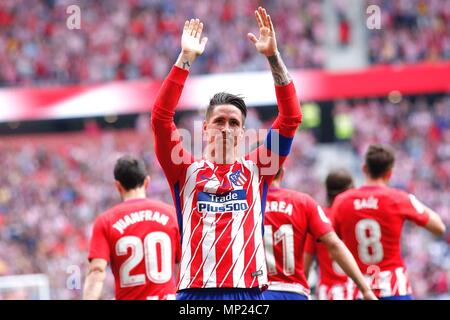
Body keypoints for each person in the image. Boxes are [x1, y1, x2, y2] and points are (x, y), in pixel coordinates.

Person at [151, 7, 302, 300]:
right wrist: (185, 60)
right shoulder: (184, 169)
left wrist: (273, 57)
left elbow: (291, 118)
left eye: (234, 123)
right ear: (205, 128)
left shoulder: (259, 168)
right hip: (196, 293)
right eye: (219, 121)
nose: (226, 128)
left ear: (243, 132)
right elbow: (160, 119)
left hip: (248, 293)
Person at [333, 144, 446, 300]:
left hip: (359, 290)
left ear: (364, 168)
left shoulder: (342, 201)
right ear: (390, 173)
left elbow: (331, 243)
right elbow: (439, 227)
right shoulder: (398, 198)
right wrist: (412, 202)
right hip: (394, 288)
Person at [262, 167, 376, 300]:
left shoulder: (244, 204)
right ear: (282, 173)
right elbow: (334, 244)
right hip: (296, 291)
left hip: (257, 293)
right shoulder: (304, 203)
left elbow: (307, 263)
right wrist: (366, 290)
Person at [83, 155, 180, 300]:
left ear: (118, 186)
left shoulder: (106, 221)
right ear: (147, 182)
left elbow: (97, 271)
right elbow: (184, 266)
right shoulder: (172, 215)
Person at [303, 169, 355, 300]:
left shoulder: (317, 219)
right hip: (356, 290)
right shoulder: (356, 216)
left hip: (329, 293)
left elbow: (305, 265)